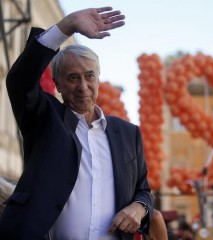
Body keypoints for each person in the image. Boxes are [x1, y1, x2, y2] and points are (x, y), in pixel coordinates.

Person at [0, 6, 153, 240]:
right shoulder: (44, 119)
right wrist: (66, 26)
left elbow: (143, 191)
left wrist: (139, 208)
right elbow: (20, 80)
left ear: (98, 79)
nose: (83, 87)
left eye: (89, 76)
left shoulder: (128, 134)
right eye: (72, 78)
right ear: (58, 84)